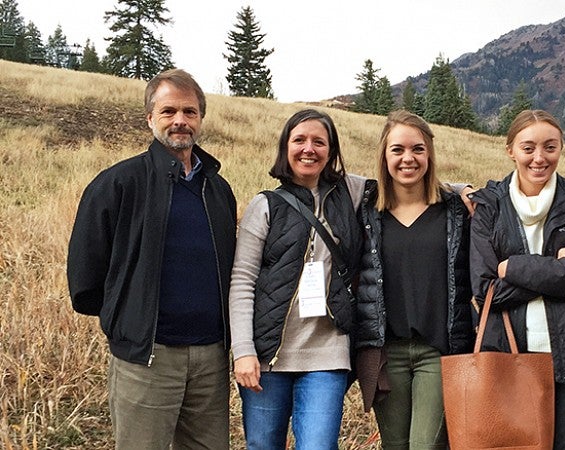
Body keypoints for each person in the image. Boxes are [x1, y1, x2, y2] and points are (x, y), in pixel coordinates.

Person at [66, 68, 237, 449]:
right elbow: (85, 272)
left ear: (201, 119)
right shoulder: (119, 183)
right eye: (169, 111)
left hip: (211, 357)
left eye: (190, 112)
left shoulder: (218, 188)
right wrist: (127, 320)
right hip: (147, 357)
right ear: (150, 118)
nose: (180, 121)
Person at [228, 109, 366, 450]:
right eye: (299, 140)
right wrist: (244, 351)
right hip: (268, 357)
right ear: (285, 148)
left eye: (319, 142)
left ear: (331, 152)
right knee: (262, 445)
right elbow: (243, 280)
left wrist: (460, 189)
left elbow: (407, 184)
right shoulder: (266, 205)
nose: (309, 149)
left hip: (327, 355)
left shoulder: (351, 192)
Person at [469, 109, 565, 450]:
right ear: (510, 150)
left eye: (550, 147)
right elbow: (487, 290)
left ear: (561, 148)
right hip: (504, 353)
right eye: (528, 148)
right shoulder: (489, 206)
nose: (539, 158)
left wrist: (512, 267)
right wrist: (552, 266)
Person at [354, 110, 473, 449]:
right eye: (398, 150)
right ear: (384, 155)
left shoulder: (455, 210)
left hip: (439, 351)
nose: (408, 158)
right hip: (385, 352)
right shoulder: (366, 211)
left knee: (426, 445)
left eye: (418, 149)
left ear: (429, 153)